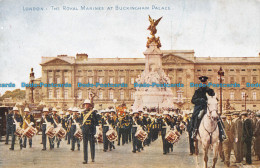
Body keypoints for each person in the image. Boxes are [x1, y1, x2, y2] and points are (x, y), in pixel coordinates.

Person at [191, 76, 225, 141]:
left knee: (218, 117)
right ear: (201, 83)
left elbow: (214, 98)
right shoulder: (197, 91)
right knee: (198, 116)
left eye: (205, 82)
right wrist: (201, 100)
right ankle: (194, 131)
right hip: (201, 108)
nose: (203, 83)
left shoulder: (210, 90)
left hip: (210, 108)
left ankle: (222, 133)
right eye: (202, 82)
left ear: (206, 82)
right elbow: (193, 100)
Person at [81, 99, 98, 164]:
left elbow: (96, 122)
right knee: (85, 145)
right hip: (85, 130)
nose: (86, 105)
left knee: (92, 145)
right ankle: (85, 159)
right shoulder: (82, 113)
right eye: (85, 104)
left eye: (87, 104)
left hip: (91, 131)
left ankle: (92, 157)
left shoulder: (93, 113)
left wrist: (95, 131)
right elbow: (80, 121)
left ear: (89, 105)